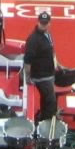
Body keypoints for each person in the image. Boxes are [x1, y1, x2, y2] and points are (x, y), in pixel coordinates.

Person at [23, 9, 61, 137]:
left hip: (49, 73)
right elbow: (27, 60)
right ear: (38, 22)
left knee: (47, 99)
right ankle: (47, 127)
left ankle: (44, 120)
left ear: (49, 23)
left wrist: (57, 64)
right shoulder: (33, 39)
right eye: (42, 23)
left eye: (46, 23)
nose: (43, 25)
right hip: (41, 76)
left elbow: (52, 51)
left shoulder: (47, 35)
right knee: (50, 101)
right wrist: (28, 77)